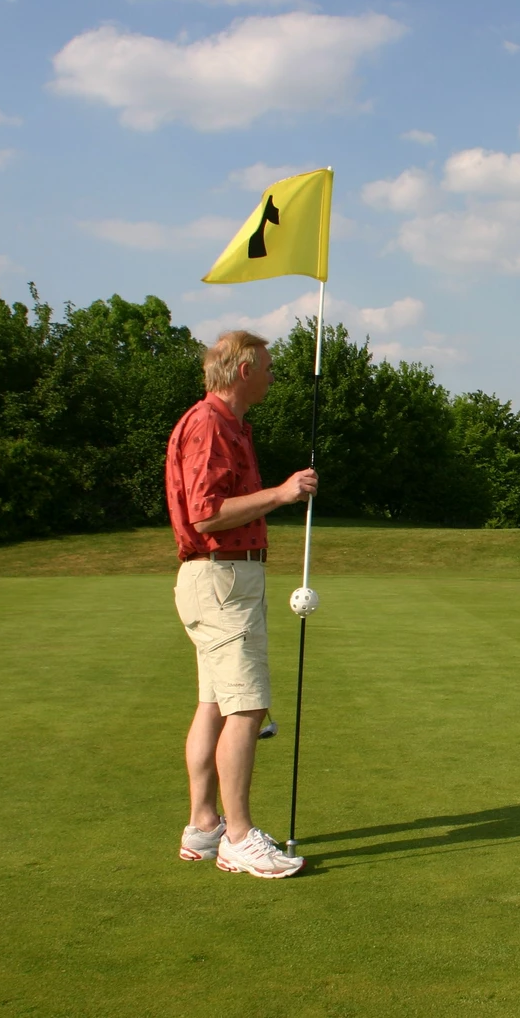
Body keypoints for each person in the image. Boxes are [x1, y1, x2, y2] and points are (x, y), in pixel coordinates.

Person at [165, 329, 317, 878]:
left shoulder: (228, 425)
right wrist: (281, 493)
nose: (274, 375)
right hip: (222, 577)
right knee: (247, 707)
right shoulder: (208, 425)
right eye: (269, 367)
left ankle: (204, 826)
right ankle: (237, 835)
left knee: (214, 702)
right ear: (242, 369)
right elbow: (206, 514)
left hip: (219, 579)